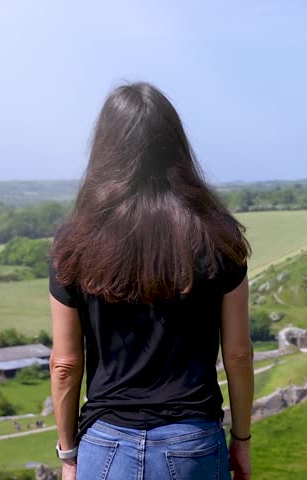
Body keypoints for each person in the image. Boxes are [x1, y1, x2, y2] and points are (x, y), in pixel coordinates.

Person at [48, 82, 254, 480]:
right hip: (193, 442)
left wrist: (69, 454)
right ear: (175, 146)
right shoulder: (218, 236)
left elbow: (65, 364)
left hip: (104, 445)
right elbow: (240, 354)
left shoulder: (74, 242)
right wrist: (241, 441)